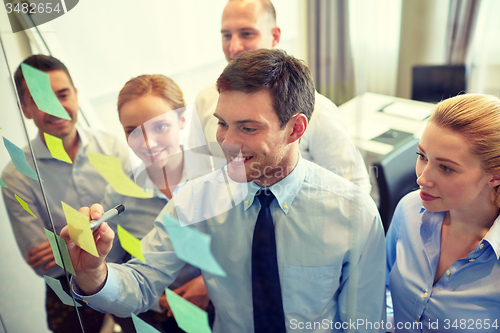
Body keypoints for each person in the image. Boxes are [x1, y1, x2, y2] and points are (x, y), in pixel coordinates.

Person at [62, 49, 385, 333]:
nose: (227, 142)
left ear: (295, 129)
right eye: (222, 123)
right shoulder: (198, 198)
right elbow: (144, 282)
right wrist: (95, 274)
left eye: (247, 127)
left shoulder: (352, 212)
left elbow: (362, 322)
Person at [1, 55, 130, 332]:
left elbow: (136, 223)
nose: (56, 108)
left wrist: (65, 242)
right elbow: (44, 264)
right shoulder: (16, 175)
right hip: (69, 292)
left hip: (127, 273)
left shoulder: (112, 147)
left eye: (62, 94)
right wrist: (102, 232)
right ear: (25, 109)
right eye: (40, 99)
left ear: (76, 95)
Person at [190, 0, 371, 192]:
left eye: (247, 34)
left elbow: (355, 188)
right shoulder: (206, 100)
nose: (234, 47)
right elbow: (197, 174)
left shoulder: (318, 111)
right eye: (227, 35)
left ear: (274, 36)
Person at [103, 74, 218, 332]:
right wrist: (157, 301)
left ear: (182, 120)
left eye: (160, 127)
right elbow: (114, 266)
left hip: (229, 306)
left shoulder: (217, 174)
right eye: (132, 130)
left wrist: (207, 285)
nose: (147, 143)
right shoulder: (118, 196)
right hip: (164, 319)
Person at [386, 94, 500, 332]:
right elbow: (382, 286)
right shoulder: (408, 209)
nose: (421, 178)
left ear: (495, 176)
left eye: (446, 168)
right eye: (422, 156)